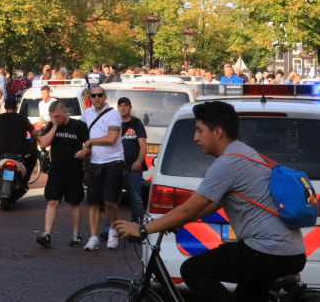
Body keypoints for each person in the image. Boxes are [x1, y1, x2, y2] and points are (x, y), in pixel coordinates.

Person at [115, 101, 306, 302]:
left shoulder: (228, 164)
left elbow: (188, 210)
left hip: (268, 251)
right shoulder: (244, 153)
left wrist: (143, 229)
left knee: (192, 270)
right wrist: (174, 223)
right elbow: (211, 204)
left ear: (217, 132)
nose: (195, 138)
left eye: (199, 130)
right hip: (287, 251)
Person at [35, 100, 89, 248]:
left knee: (75, 202)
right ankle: (46, 234)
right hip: (56, 170)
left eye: (57, 116)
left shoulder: (79, 126)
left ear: (65, 112)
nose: (55, 119)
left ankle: (76, 234)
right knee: (52, 201)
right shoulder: (52, 126)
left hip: (74, 170)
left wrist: (84, 151)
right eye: (53, 117)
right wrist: (54, 126)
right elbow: (44, 144)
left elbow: (89, 145)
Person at [81, 85, 124, 251]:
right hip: (95, 162)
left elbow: (112, 138)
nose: (97, 98)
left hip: (113, 161)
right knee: (93, 201)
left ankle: (113, 230)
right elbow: (80, 130)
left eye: (100, 95)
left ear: (105, 97)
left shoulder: (114, 114)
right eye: (94, 95)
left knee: (109, 200)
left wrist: (91, 142)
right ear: (90, 98)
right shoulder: (87, 114)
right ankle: (93, 237)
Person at [0, 95, 38, 179]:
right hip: (20, 150)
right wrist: (34, 143)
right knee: (34, 155)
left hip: (1, 150)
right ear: (16, 107)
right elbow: (34, 133)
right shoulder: (23, 118)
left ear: (4, 106)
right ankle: (26, 178)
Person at [117, 97, 147, 224]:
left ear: (130, 108)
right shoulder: (114, 123)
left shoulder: (137, 123)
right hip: (117, 168)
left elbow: (143, 146)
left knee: (136, 199)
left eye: (126, 105)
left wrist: (139, 162)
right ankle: (110, 228)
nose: (123, 108)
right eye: (121, 105)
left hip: (133, 169)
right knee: (112, 200)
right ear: (118, 108)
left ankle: (138, 224)